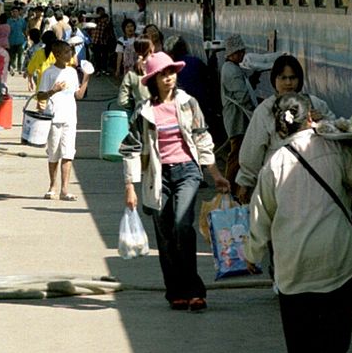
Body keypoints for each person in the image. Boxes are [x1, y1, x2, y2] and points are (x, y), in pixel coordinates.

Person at [246, 93, 352, 353]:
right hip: (336, 255)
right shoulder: (334, 148)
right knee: (344, 302)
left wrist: (252, 254)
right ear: (311, 117)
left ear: (280, 127)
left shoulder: (274, 164)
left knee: (300, 340)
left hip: (294, 264)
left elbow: (260, 214)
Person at [123, 52, 230, 311]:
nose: (169, 77)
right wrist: (130, 186)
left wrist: (215, 174)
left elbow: (202, 138)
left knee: (183, 225)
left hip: (187, 171)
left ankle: (194, 290)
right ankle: (176, 291)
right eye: (163, 73)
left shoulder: (188, 103)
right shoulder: (144, 111)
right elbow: (131, 148)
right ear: (153, 80)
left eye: (172, 72)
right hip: (158, 175)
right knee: (166, 233)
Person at [236, 55, 336, 203]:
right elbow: (252, 150)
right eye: (283, 78)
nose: (288, 83)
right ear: (274, 80)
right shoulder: (265, 111)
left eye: (293, 78)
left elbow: (336, 131)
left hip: (312, 181)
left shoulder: (315, 104)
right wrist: (245, 181)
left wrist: (323, 121)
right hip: (279, 181)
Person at [36, 41, 91, 201]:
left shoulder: (72, 72)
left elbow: (78, 95)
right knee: (53, 153)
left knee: (68, 153)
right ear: (57, 54)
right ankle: (52, 187)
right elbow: (40, 95)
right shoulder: (49, 73)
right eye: (66, 52)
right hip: (53, 118)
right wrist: (53, 90)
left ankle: (65, 189)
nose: (70, 55)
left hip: (70, 118)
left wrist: (87, 78)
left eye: (70, 52)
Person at [219, 34, 257, 191]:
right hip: (237, 119)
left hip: (236, 118)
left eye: (242, 51)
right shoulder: (232, 71)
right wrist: (256, 113)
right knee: (236, 154)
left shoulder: (231, 68)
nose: (241, 55)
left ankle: (232, 186)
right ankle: (228, 186)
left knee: (237, 153)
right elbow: (242, 96)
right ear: (230, 54)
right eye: (238, 52)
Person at [88, 6, 115, 75]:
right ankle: (98, 69)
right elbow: (89, 30)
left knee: (104, 56)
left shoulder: (105, 23)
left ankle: (103, 69)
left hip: (103, 42)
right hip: (96, 41)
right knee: (97, 56)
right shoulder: (94, 21)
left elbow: (109, 31)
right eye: (100, 12)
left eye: (103, 12)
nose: (102, 13)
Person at [7, 6, 28, 74]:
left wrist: (26, 36)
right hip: (11, 40)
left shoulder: (22, 20)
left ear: (18, 12)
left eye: (16, 11)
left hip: (20, 40)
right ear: (11, 13)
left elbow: (24, 29)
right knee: (12, 56)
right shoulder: (8, 21)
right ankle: (13, 67)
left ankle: (19, 68)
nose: (15, 13)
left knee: (20, 55)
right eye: (13, 12)